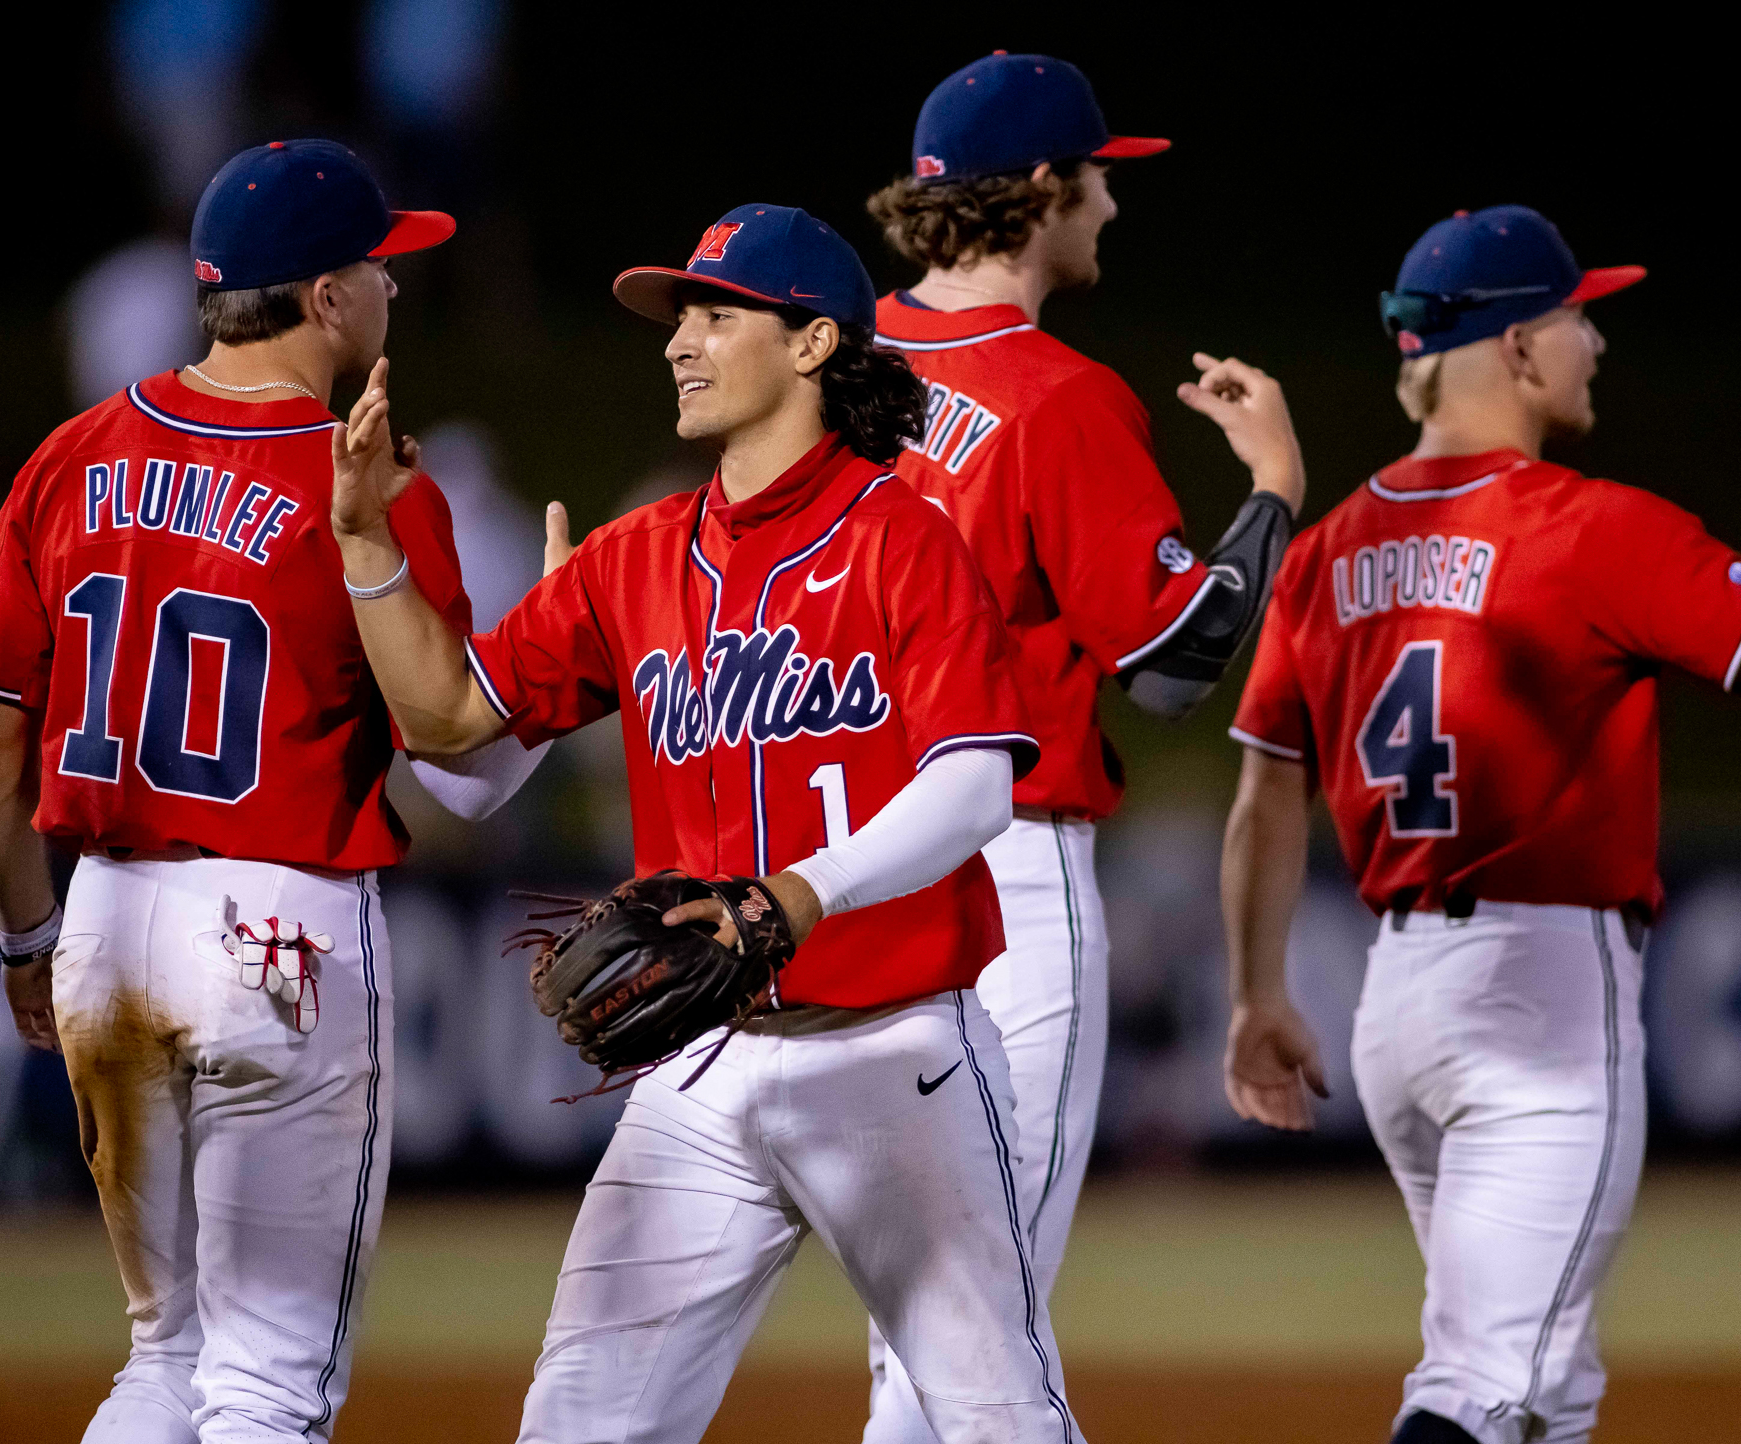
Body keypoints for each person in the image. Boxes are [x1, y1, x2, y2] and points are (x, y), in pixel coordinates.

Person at [332, 204, 1084, 1442]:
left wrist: (794, 894)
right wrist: (370, 545)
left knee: (992, 1419)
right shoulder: (633, 558)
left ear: (810, 342)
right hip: (700, 1062)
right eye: (675, 316)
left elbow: (971, 789)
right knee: (578, 1419)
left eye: (713, 312)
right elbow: (461, 754)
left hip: (894, 1055)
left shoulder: (904, 538)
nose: (679, 340)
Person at [0, 139, 538, 1443]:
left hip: (106, 925)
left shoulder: (71, 456)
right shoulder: (364, 486)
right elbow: (464, 754)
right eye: (380, 267)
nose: (395, 286)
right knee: (270, 1385)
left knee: (167, 1358)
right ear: (325, 298)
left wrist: (27, 938)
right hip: (282, 925)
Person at [1220, 206, 1739, 1444]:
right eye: (1572, 315)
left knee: (1547, 1390)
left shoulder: (1327, 549)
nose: (1593, 341)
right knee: (1481, 1380)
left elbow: (1264, 792)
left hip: (1398, 997)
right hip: (1542, 993)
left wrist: (1253, 999)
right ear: (1512, 347)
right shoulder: (1592, 528)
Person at [859, 52, 1306, 1437]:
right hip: (1005, 875)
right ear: (1041, 191)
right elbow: (1175, 670)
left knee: (918, 1338)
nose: (1112, 205)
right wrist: (1277, 486)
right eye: (1101, 178)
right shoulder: (1055, 398)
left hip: (832, 871)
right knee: (983, 1329)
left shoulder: (826, 362)